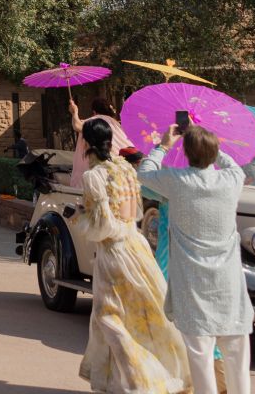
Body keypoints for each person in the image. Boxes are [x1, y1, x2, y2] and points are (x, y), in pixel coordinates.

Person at [71, 118, 187, 392]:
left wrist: (80, 216)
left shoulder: (93, 177)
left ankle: (137, 381)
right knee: (145, 315)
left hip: (114, 253)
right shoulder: (124, 168)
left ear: (85, 143)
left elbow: (102, 227)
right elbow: (132, 214)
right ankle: (126, 380)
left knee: (110, 317)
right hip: (137, 245)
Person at [136, 124, 252, 394]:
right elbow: (233, 165)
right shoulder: (232, 179)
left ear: (186, 153)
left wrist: (164, 145)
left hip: (192, 282)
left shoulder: (177, 181)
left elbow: (144, 173)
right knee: (237, 357)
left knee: (200, 357)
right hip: (228, 284)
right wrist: (214, 147)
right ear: (214, 152)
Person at [69, 95, 129, 188]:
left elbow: (77, 126)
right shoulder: (116, 123)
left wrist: (74, 112)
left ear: (94, 112)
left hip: (99, 166)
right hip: (119, 166)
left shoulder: (94, 122)